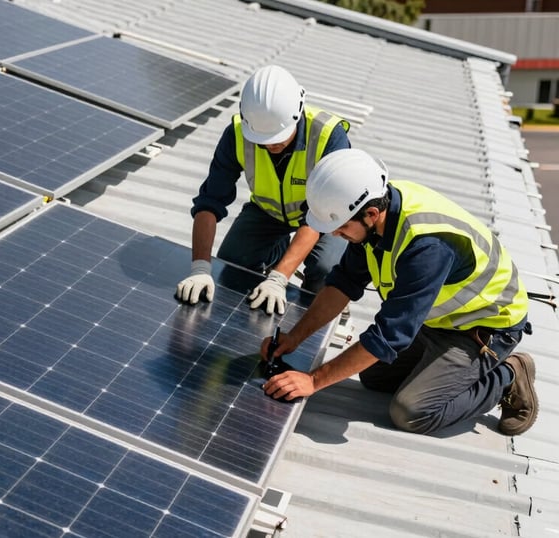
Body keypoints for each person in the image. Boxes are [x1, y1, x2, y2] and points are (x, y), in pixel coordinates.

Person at [261, 148, 539, 436]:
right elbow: (343, 284)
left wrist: (313, 381)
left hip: (483, 328)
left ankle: (508, 375)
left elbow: (389, 336)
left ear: (371, 214)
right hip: (438, 321)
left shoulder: (427, 247)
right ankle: (443, 371)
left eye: (341, 228)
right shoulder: (373, 211)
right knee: (374, 376)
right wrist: (295, 337)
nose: (334, 234)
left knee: (411, 412)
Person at [175, 65, 351, 314]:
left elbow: (316, 217)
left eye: (278, 137)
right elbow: (209, 202)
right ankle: (277, 252)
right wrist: (200, 267)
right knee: (233, 263)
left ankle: (319, 317)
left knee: (327, 270)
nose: (270, 145)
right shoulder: (237, 134)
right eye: (262, 140)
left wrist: (279, 278)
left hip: (324, 220)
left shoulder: (328, 137)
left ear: (297, 114)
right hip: (267, 213)